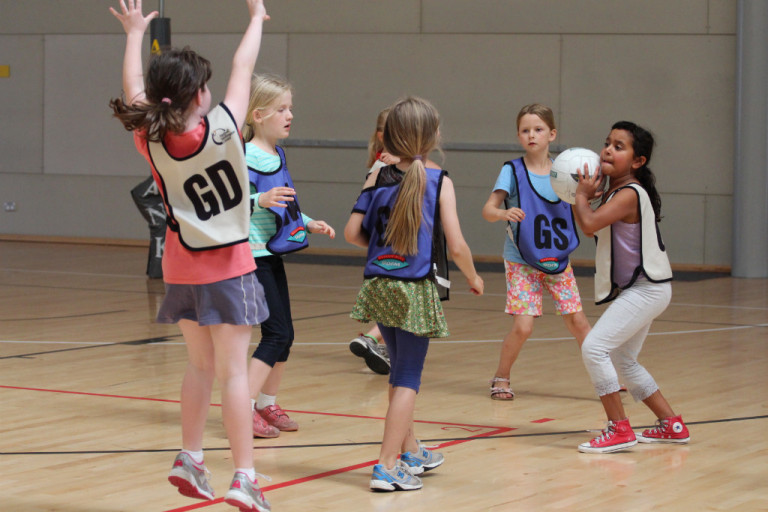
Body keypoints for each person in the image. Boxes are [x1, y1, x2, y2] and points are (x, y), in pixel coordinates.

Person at [108, 1, 272, 510]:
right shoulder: (225, 125)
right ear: (200, 95)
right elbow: (244, 67)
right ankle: (244, 476)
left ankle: (191, 457)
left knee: (199, 367)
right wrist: (255, 21)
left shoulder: (151, 138)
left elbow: (136, 91)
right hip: (230, 267)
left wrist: (136, 32)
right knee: (235, 373)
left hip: (180, 267)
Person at [344, 96, 484, 491]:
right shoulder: (439, 180)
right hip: (413, 287)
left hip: (377, 285)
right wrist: (474, 277)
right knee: (407, 377)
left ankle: (409, 449)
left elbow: (354, 234)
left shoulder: (377, 178)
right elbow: (456, 245)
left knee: (397, 373)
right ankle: (387, 464)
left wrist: (382, 248)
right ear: (432, 136)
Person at [572, 121, 690, 453]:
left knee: (594, 348)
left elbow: (590, 222)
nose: (608, 150)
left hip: (647, 290)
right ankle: (672, 424)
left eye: (619, 146)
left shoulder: (629, 193)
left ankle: (619, 428)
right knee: (625, 358)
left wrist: (580, 197)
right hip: (646, 290)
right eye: (607, 143)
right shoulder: (615, 192)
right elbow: (589, 225)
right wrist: (579, 198)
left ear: (637, 161)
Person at [242, 74, 336, 438]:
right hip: (251, 257)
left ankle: (266, 402)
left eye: (291, 108)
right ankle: (243, 407)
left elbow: (286, 203)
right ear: (258, 114)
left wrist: (309, 222)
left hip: (272, 252)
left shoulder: (277, 154)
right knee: (275, 334)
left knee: (287, 334)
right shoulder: (242, 156)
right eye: (281, 109)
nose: (289, 115)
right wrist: (257, 201)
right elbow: (226, 204)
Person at [481, 104, 591, 400]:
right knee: (524, 326)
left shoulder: (565, 172)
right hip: (521, 260)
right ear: (518, 136)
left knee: (578, 322)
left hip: (557, 258)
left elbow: (581, 211)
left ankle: (607, 378)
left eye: (538, 129)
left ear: (552, 134)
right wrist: (503, 214)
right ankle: (501, 377)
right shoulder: (511, 170)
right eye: (525, 130)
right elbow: (488, 210)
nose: (532, 135)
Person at [348, 107, 400, 375]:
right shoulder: (384, 169)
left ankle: (381, 348)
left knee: (394, 303)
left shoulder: (387, 164)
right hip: (395, 246)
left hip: (381, 247)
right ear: (383, 135)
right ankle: (371, 338)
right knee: (406, 302)